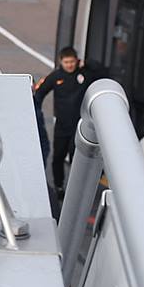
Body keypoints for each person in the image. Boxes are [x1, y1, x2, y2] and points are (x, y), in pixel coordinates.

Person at [31, 47, 92, 191]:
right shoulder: (56, 76)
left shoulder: (84, 74)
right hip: (61, 126)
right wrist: (34, 112)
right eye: (66, 62)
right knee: (58, 157)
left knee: (76, 158)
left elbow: (102, 72)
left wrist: (87, 63)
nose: (69, 65)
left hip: (79, 126)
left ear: (77, 61)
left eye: (72, 62)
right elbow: (39, 92)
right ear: (61, 62)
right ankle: (59, 186)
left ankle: (76, 188)